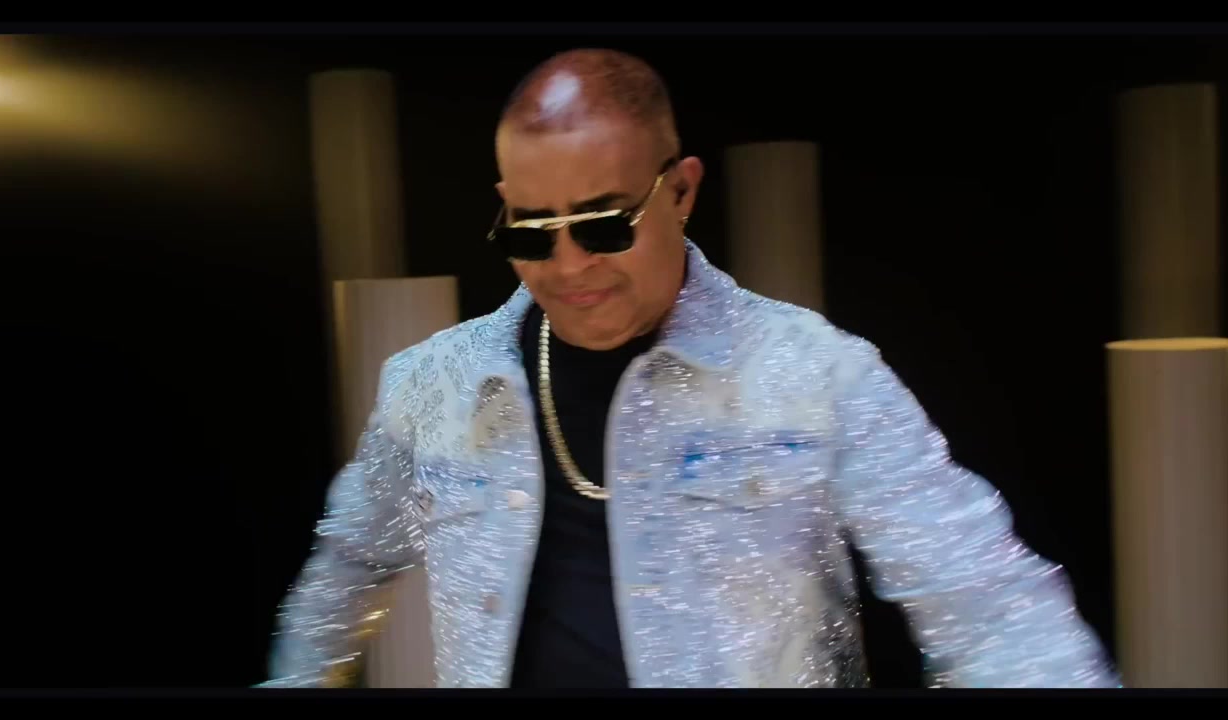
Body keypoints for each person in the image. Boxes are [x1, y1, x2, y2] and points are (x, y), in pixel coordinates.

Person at [259, 48, 1120, 689]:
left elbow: (987, 604)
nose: (570, 264)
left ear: (680, 191)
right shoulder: (430, 385)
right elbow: (346, 570)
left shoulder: (820, 378)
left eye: (603, 223)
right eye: (531, 230)